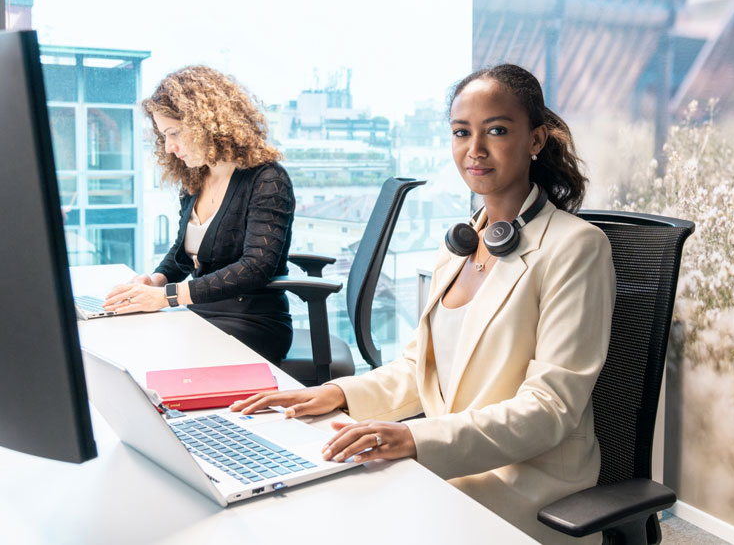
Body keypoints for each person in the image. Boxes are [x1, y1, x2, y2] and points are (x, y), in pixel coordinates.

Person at [230, 64, 615, 544]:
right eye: (461, 132)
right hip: (452, 464)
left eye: (496, 130)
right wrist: (341, 394)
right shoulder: (459, 242)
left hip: (526, 486)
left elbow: (549, 408)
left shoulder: (576, 247)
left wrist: (414, 439)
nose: (475, 150)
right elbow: (420, 367)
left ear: (535, 140)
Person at [103, 66, 295, 365]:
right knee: (125, 341)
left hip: (252, 322)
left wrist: (167, 296)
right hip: (202, 311)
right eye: (164, 136)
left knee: (154, 358)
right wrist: (155, 281)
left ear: (208, 123)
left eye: (175, 133)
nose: (170, 147)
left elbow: (256, 266)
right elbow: (183, 254)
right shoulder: (196, 178)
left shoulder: (268, 179)